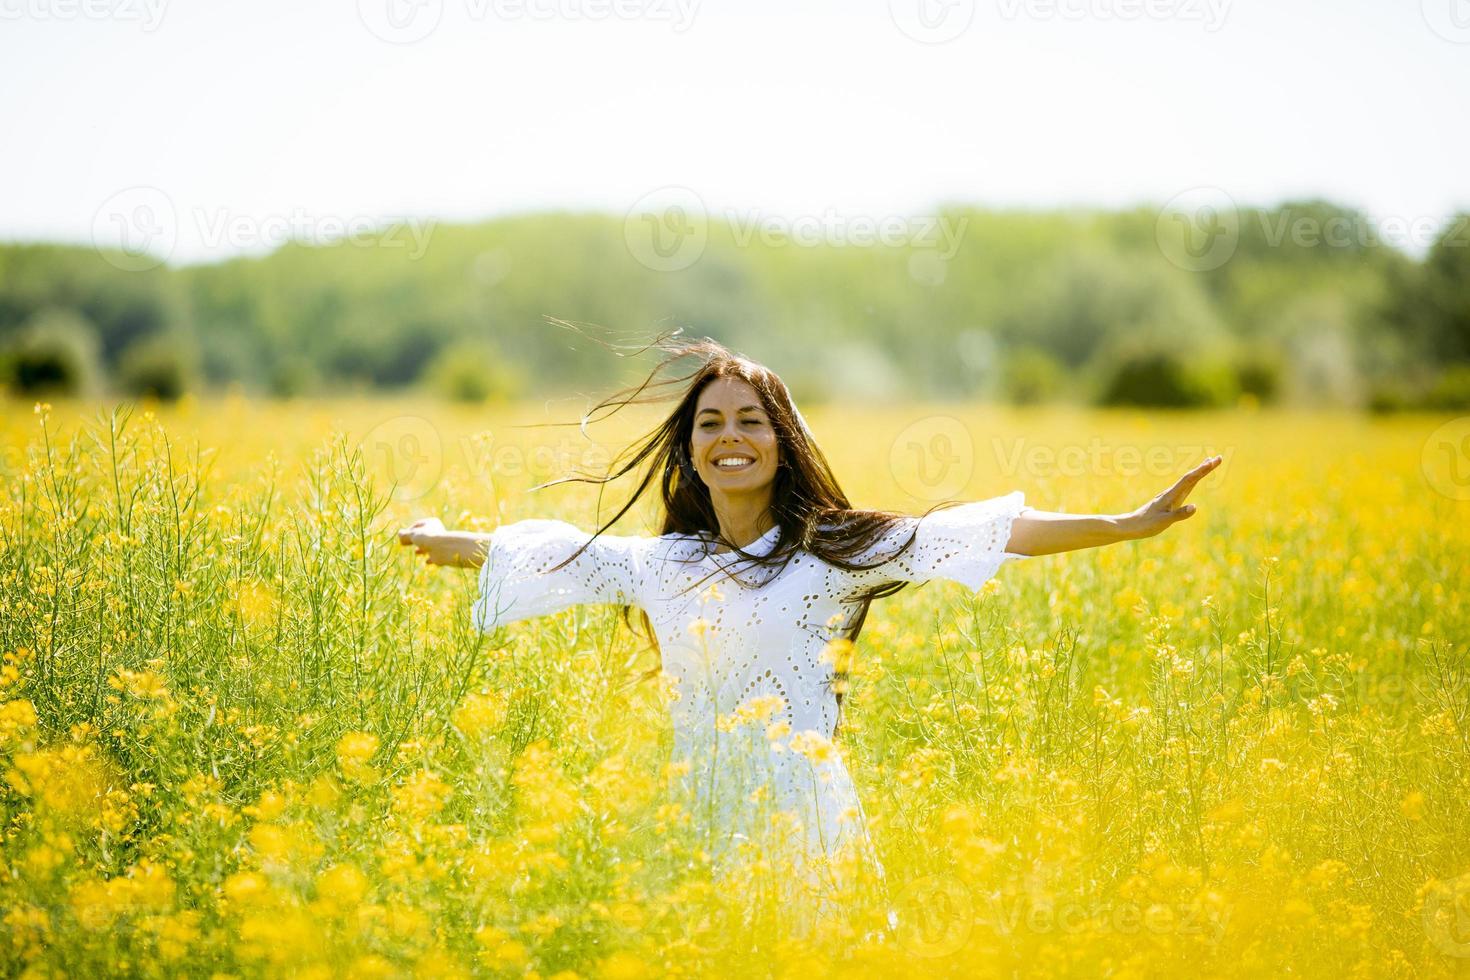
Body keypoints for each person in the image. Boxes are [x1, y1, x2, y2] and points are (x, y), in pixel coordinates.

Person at [397, 336, 1221, 932]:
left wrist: (1124, 522)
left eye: (750, 422)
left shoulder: (832, 552)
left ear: (782, 444)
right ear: (689, 449)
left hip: (807, 823)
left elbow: (978, 532)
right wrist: (446, 541)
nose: (730, 438)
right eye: (711, 423)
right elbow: (559, 556)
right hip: (696, 813)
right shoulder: (660, 563)